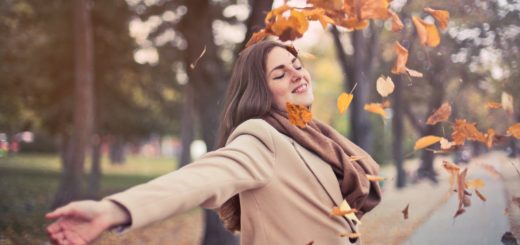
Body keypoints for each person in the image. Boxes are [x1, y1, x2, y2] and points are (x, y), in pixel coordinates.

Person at [46, 40, 382, 245]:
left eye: (296, 65)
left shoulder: (315, 137)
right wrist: (113, 210)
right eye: (280, 74)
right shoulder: (262, 136)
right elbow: (200, 179)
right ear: (261, 93)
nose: (297, 74)